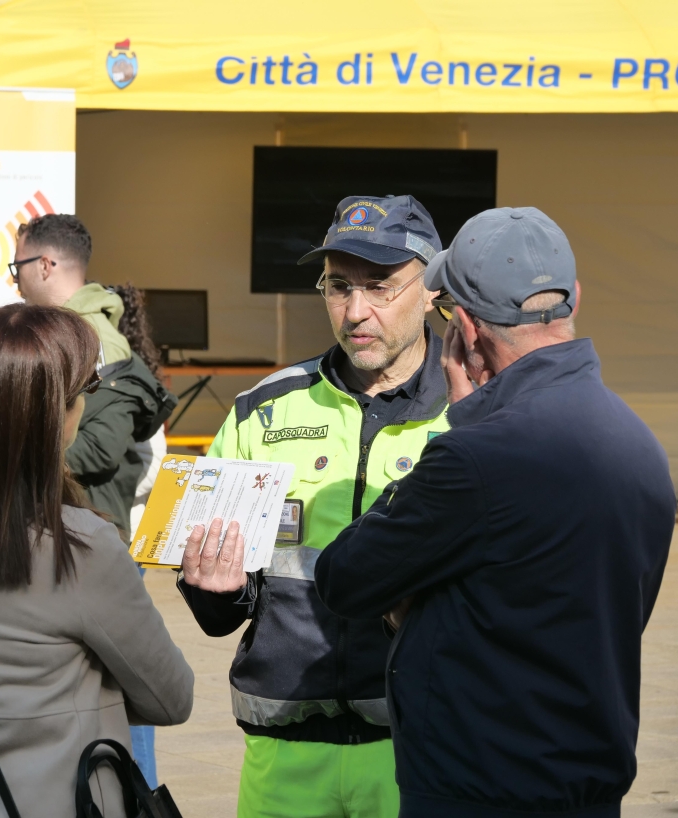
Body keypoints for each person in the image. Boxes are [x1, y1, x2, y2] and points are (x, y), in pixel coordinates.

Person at [314, 208, 676, 818]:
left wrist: (464, 426)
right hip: (588, 785)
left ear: (467, 331)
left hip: (478, 788)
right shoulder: (638, 442)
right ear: (572, 298)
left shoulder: (476, 456)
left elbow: (345, 577)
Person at [178, 195, 449, 818]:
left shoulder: (472, 413)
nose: (357, 312)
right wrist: (216, 591)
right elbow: (221, 610)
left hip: (421, 753)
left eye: (380, 287)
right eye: (338, 287)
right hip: (285, 757)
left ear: (431, 289)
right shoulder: (261, 410)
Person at [0, 304, 194, 818]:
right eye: (84, 393)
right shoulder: (82, 547)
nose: (87, 407)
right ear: (51, 418)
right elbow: (170, 699)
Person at [12, 214, 176, 542]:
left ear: (45, 265)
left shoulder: (88, 339)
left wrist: (7, 459)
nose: (16, 281)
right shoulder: (73, 332)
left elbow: (100, 447)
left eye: (18, 268)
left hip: (83, 534)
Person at [111, 283, 169, 788]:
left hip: (123, 547)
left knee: (131, 684)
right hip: (94, 545)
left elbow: (154, 466)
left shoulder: (132, 377)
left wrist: (105, 474)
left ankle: (143, 790)